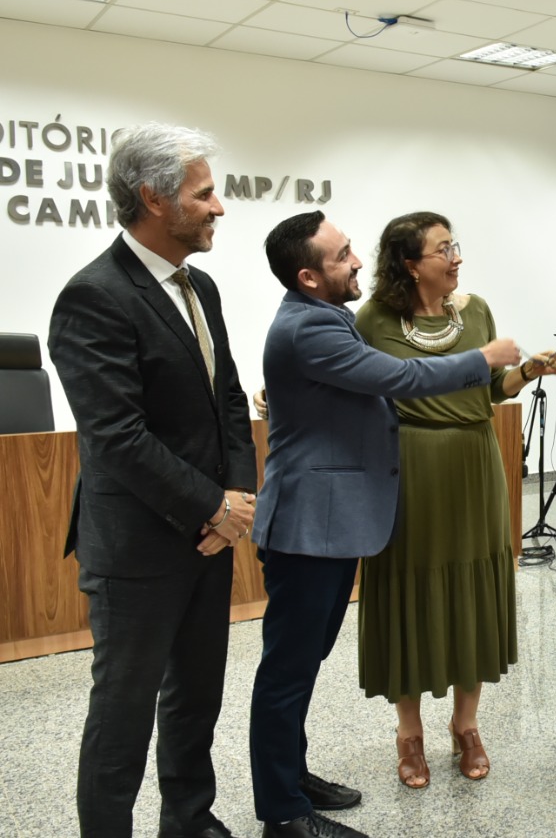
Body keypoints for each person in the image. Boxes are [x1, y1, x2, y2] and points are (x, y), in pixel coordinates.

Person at [248, 210, 521, 838]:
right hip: (309, 527)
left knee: (302, 664)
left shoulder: (325, 317)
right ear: (309, 276)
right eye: (343, 255)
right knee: (287, 672)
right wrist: (481, 359)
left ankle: (293, 775)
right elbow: (400, 376)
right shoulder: (313, 328)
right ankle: (283, 814)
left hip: (337, 522)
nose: (356, 262)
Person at [47, 123, 257, 838]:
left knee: (196, 697)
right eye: (203, 194)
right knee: (123, 715)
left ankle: (189, 819)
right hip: (138, 546)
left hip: (209, 538)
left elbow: (228, 398)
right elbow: (117, 437)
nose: (218, 207)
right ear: (153, 199)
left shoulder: (203, 289)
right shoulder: (94, 296)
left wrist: (237, 501)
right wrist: (210, 504)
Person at [353, 212, 556, 789]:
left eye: (456, 245)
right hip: (409, 467)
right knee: (407, 588)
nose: (456, 258)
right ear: (409, 263)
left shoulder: (475, 310)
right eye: (444, 249)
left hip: (475, 462)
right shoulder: (373, 318)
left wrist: (526, 371)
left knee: (474, 584)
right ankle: (409, 733)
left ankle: (467, 726)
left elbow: (492, 388)